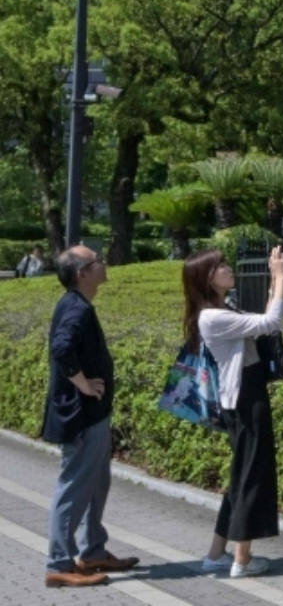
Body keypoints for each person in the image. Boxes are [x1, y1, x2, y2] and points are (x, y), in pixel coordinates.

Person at [182, 246, 283, 579]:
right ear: (206, 277)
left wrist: (274, 280)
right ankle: (243, 559)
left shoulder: (220, 309)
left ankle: (217, 553)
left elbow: (261, 322)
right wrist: (282, 277)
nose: (229, 269)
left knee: (242, 476)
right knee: (253, 475)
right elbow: (272, 321)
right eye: (221, 266)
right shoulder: (213, 317)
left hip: (242, 396)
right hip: (245, 399)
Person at [42, 248, 141, 589]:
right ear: (83, 273)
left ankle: (93, 550)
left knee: (97, 484)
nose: (104, 263)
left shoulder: (78, 305)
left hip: (92, 413)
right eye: (97, 260)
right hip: (80, 415)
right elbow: (61, 348)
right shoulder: (75, 308)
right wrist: (83, 384)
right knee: (75, 487)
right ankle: (59, 563)